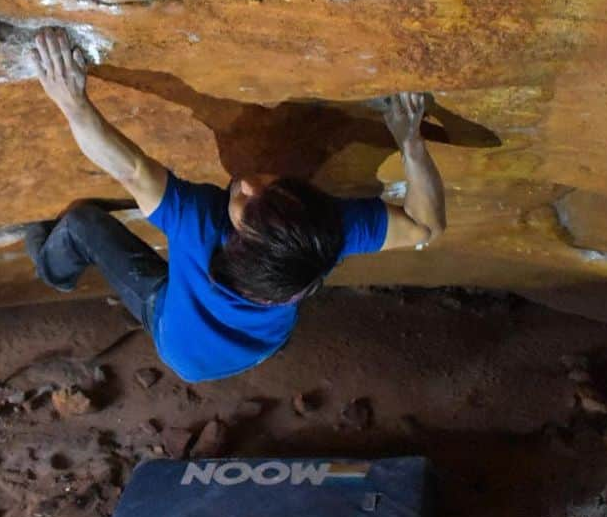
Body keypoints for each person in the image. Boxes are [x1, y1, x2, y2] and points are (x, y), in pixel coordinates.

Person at [25, 27, 447, 383]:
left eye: (245, 203)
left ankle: (52, 270)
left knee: (82, 222)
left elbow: (131, 170)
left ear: (232, 245)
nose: (245, 183)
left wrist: (71, 101)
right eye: (270, 189)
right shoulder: (324, 233)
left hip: (181, 346)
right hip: (257, 346)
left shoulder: (198, 226)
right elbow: (426, 227)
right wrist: (410, 143)